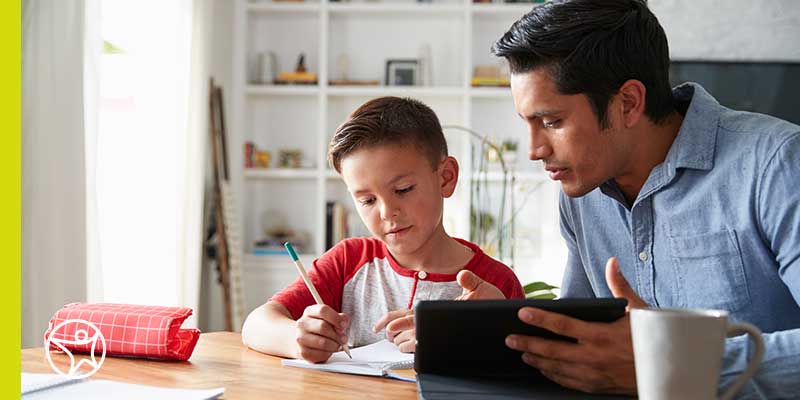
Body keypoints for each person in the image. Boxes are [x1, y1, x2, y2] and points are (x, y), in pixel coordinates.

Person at [449, 0, 800, 397]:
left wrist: (673, 364)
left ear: (628, 103)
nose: (534, 150)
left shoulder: (777, 163)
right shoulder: (581, 193)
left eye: (551, 122)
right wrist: (503, 329)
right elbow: (582, 346)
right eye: (527, 123)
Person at [241, 96, 525, 363]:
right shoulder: (348, 261)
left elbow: (519, 370)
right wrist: (297, 339)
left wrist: (472, 338)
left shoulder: (495, 283)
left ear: (446, 177)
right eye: (367, 200)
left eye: (403, 189)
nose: (387, 212)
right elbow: (256, 325)